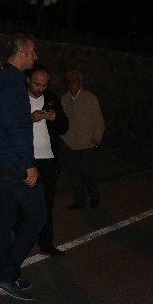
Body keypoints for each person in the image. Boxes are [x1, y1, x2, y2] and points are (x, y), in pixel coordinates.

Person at [0, 34, 45, 300]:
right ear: (21, 54)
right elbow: (13, 128)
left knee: (6, 220)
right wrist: (29, 164)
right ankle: (7, 274)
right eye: (32, 52)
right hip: (13, 163)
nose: (35, 56)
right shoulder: (10, 83)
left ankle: (5, 275)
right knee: (37, 215)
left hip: (1, 160)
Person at [27, 65, 69, 256]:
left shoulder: (51, 98)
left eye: (44, 85)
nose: (41, 88)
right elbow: (9, 127)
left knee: (46, 204)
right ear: (28, 80)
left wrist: (55, 117)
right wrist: (30, 119)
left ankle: (46, 244)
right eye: (37, 84)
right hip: (28, 160)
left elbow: (64, 126)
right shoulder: (19, 98)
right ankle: (22, 242)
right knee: (24, 204)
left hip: (49, 159)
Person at [59, 69, 106, 209]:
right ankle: (79, 200)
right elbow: (61, 121)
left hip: (86, 144)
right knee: (74, 175)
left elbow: (99, 121)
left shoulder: (90, 98)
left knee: (88, 173)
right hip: (69, 144)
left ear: (80, 82)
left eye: (74, 80)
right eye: (68, 81)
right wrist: (62, 139)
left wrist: (96, 139)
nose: (71, 83)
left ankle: (94, 196)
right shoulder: (64, 99)